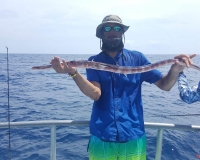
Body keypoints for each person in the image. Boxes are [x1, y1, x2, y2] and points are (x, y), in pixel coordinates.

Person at [50, 15, 195, 160]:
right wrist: (73, 72)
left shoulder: (138, 59)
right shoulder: (93, 61)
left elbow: (165, 85)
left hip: (133, 136)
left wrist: (175, 70)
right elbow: (95, 93)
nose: (112, 31)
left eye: (117, 28)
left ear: (122, 33)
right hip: (102, 136)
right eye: (107, 28)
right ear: (102, 34)